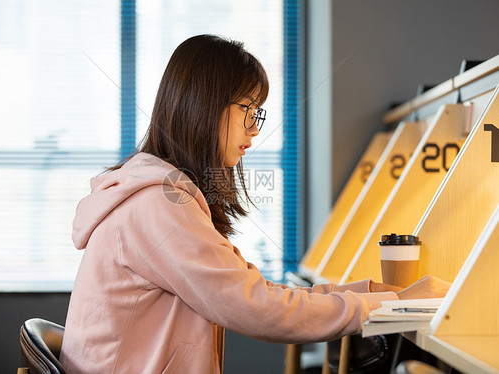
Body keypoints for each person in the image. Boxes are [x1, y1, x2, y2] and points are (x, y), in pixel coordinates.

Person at [59, 34, 449, 374]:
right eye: (248, 109)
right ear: (205, 105)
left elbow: (252, 290)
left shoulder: (163, 194)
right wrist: (381, 307)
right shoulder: (156, 206)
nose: (255, 129)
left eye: (257, 112)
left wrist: (377, 296)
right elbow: (256, 307)